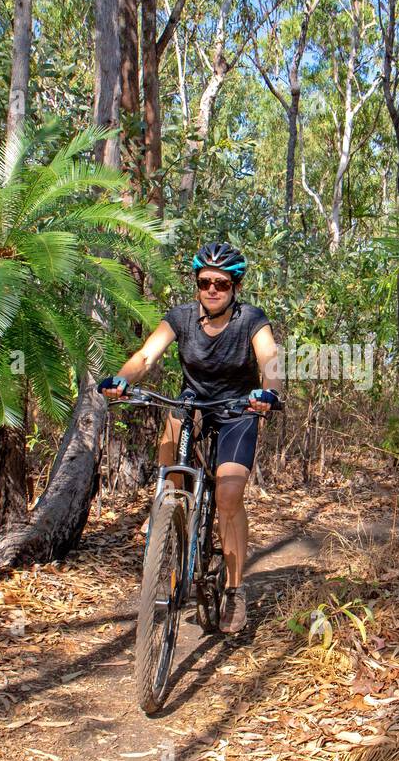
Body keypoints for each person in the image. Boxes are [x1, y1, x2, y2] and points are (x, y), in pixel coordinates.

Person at [98, 242, 280, 634]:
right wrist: (122, 379)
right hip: (192, 406)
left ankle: (234, 589)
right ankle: (167, 529)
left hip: (237, 411)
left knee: (228, 495)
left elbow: (269, 360)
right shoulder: (180, 318)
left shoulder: (251, 320)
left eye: (221, 283)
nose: (212, 290)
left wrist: (268, 391)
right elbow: (146, 356)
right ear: (196, 284)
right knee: (170, 475)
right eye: (204, 282)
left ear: (235, 286)